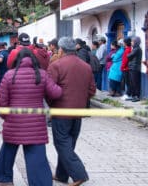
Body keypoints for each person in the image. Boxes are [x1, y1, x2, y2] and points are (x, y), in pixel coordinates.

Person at [0, 48, 62, 186]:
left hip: (14, 121)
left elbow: (2, 100)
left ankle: (4, 179)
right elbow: (56, 93)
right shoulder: (41, 74)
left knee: (8, 149)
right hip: (35, 124)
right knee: (36, 156)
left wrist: (7, 117)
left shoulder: (9, 75)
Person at [47, 37, 96, 186]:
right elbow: (92, 90)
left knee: (62, 143)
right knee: (69, 143)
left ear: (61, 50)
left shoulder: (56, 65)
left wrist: (52, 104)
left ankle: (79, 174)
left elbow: (49, 90)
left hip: (61, 110)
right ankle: (62, 175)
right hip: (78, 111)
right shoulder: (86, 66)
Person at [127, 36, 142, 102]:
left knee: (135, 83)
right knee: (132, 82)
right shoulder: (135, 49)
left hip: (135, 68)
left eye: (132, 41)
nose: (131, 42)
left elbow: (129, 56)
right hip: (132, 67)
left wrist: (128, 54)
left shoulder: (137, 49)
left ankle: (136, 96)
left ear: (136, 42)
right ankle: (133, 95)